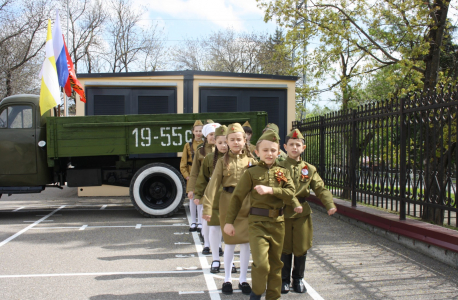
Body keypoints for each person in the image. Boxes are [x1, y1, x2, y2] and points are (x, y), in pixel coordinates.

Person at [224, 129, 302, 300]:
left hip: (278, 223)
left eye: (273, 150)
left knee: (276, 264)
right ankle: (257, 292)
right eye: (265, 150)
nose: (269, 154)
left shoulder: (283, 172)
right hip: (258, 223)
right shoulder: (251, 173)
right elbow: (237, 198)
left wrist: (271, 190)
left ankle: (273, 296)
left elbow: (290, 193)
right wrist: (229, 222)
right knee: (261, 263)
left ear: (278, 152)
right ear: (257, 152)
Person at [279, 129, 337, 294]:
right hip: (284, 211)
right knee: (284, 247)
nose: (295, 148)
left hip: (302, 214)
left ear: (303, 147)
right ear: (285, 147)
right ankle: (284, 280)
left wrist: (329, 204)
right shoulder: (279, 167)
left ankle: (297, 279)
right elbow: (280, 188)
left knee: (301, 246)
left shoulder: (309, 169)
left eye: (298, 145)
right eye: (291, 145)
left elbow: (320, 188)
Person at [202, 123, 257, 295]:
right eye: (232, 140)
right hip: (227, 202)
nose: (235, 142)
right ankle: (227, 278)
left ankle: (242, 280)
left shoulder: (252, 161)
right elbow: (213, 185)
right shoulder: (220, 161)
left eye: (239, 139)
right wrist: (208, 208)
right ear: (226, 141)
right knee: (230, 242)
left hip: (247, 204)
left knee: (246, 243)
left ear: (245, 140)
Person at [188, 122, 220, 237]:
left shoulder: (223, 149)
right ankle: (205, 237)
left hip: (219, 187)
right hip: (204, 185)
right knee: (203, 211)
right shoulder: (200, 150)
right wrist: (191, 189)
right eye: (211, 134)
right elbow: (194, 172)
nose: (213, 137)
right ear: (206, 136)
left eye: (215, 134)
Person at [180, 120, 203, 232]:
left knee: (200, 199)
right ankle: (193, 222)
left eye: (200, 131)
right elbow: (183, 163)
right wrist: (187, 176)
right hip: (192, 176)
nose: (198, 133)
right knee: (192, 198)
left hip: (202, 176)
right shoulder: (188, 145)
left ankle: (200, 222)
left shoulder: (205, 145)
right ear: (193, 132)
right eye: (196, 131)